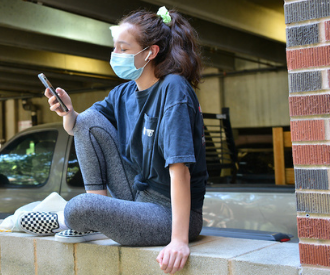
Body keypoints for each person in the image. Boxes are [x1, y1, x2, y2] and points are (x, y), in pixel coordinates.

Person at [20, 6, 207, 275]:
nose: (115, 55)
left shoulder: (173, 89)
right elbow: (79, 128)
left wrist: (178, 241)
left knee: (80, 207)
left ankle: (77, 218)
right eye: (114, 48)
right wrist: (68, 112)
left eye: (123, 49)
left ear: (150, 52)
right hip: (137, 194)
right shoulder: (123, 93)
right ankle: (95, 219)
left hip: (171, 213)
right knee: (86, 119)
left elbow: (180, 171)